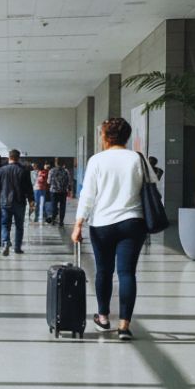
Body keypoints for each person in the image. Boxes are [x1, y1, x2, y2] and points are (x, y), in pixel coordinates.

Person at [71, 117, 151, 341]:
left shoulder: (97, 160)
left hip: (102, 224)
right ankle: (124, 325)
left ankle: (103, 318)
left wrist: (78, 224)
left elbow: (88, 195)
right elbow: (153, 185)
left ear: (106, 136)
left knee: (104, 271)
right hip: (132, 222)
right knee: (127, 273)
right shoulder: (138, 158)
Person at [0, 148, 32, 256]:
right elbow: (29, 188)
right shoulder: (24, 170)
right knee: (19, 225)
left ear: (9, 157)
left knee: (5, 224)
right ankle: (17, 247)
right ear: (18, 158)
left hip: (5, 202)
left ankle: (5, 242)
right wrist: (31, 201)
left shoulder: (2, 170)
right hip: (20, 202)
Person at [47, 159, 72, 228]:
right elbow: (69, 181)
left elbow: (48, 182)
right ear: (63, 163)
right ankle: (61, 222)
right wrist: (68, 189)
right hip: (63, 192)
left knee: (54, 206)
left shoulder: (52, 171)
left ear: (56, 163)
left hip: (54, 192)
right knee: (62, 207)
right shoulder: (66, 171)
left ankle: (53, 220)